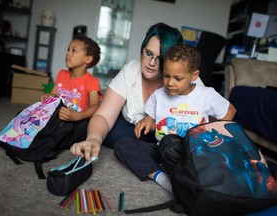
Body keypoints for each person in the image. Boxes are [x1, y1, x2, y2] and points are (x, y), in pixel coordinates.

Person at [114, 44, 236, 192]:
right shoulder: (159, 95)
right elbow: (156, 123)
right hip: (163, 150)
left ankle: (187, 179)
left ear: (194, 76)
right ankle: (163, 178)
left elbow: (230, 110)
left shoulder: (206, 95)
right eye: (166, 76)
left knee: (227, 160)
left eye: (178, 78)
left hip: (195, 152)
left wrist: (215, 135)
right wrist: (148, 120)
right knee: (123, 145)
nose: (170, 83)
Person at [70, 23, 203, 158]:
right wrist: (93, 139)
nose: (151, 63)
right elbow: (103, 115)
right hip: (133, 130)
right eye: (148, 53)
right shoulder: (131, 70)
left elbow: (209, 119)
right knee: (110, 133)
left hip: (171, 136)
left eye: (160, 58)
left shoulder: (188, 79)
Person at [41, 35, 102, 145]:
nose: (68, 53)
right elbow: (53, 94)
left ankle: (51, 141)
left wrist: (78, 116)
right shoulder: (62, 74)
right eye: (68, 50)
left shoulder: (92, 81)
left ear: (87, 59)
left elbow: (95, 106)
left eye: (74, 51)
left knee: (81, 126)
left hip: (75, 119)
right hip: (58, 117)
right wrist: (48, 97)